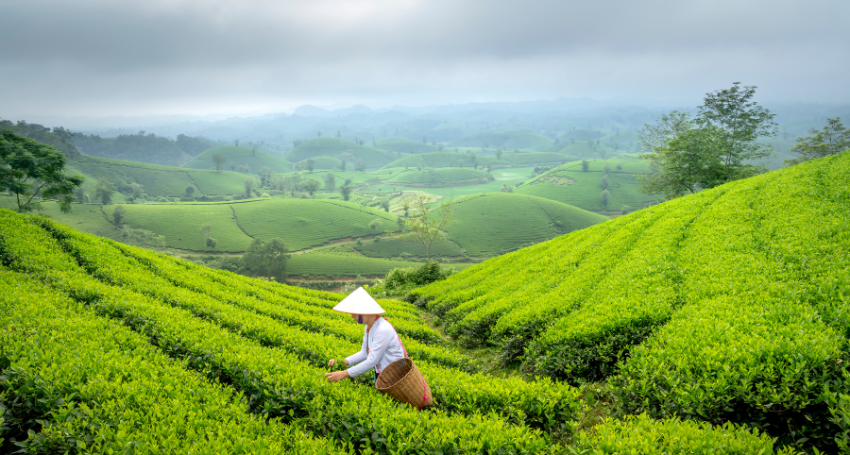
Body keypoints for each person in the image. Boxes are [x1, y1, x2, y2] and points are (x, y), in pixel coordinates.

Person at [324, 287, 405, 385]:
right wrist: (342, 362)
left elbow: (372, 361)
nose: (352, 316)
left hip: (396, 377)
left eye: (354, 313)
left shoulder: (382, 329)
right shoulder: (369, 327)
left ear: (364, 312)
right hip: (383, 374)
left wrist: (344, 374)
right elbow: (364, 353)